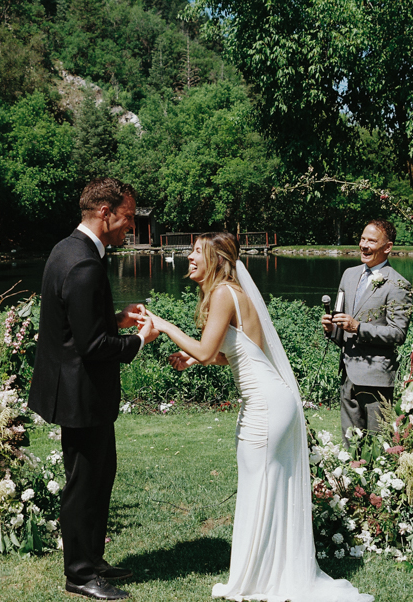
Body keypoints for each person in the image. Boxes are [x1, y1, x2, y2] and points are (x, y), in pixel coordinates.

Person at [144, 232, 373, 602]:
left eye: (195, 252)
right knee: (265, 485)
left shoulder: (222, 294)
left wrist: (165, 326)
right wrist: (193, 356)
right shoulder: (235, 293)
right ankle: (266, 572)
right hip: (271, 400)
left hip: (265, 405)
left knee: (260, 484)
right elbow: (235, 352)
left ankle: (260, 578)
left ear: (215, 259)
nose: (188, 257)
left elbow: (205, 352)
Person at [28, 178, 158, 601]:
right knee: (83, 483)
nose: (131, 226)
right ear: (106, 212)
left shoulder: (66, 249)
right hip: (81, 394)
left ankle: (94, 560)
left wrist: (115, 317)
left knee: (100, 476)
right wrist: (140, 340)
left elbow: (76, 325)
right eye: (129, 216)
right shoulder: (84, 263)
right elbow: (93, 346)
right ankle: (80, 574)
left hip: (80, 391)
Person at [322, 219, 412, 447]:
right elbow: (343, 330)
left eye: (372, 241)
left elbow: (398, 333)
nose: (364, 245)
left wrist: (358, 327)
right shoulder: (349, 275)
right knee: (350, 446)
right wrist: (333, 329)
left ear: (388, 247)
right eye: (362, 239)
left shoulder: (398, 285)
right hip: (348, 375)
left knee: (379, 447)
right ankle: (352, 483)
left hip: (377, 379)